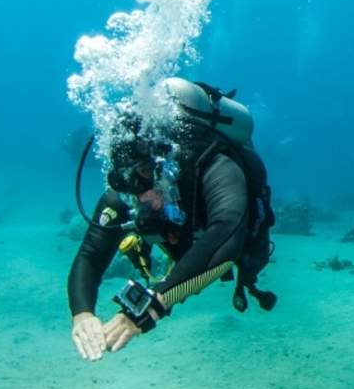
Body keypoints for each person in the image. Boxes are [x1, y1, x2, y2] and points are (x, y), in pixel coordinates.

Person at [68, 81, 276, 362]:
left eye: (143, 173)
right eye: (128, 180)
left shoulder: (217, 166)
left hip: (234, 243)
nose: (139, 196)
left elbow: (228, 234)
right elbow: (91, 255)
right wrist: (82, 314)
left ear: (164, 165)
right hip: (189, 245)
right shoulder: (131, 189)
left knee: (247, 258)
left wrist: (153, 304)